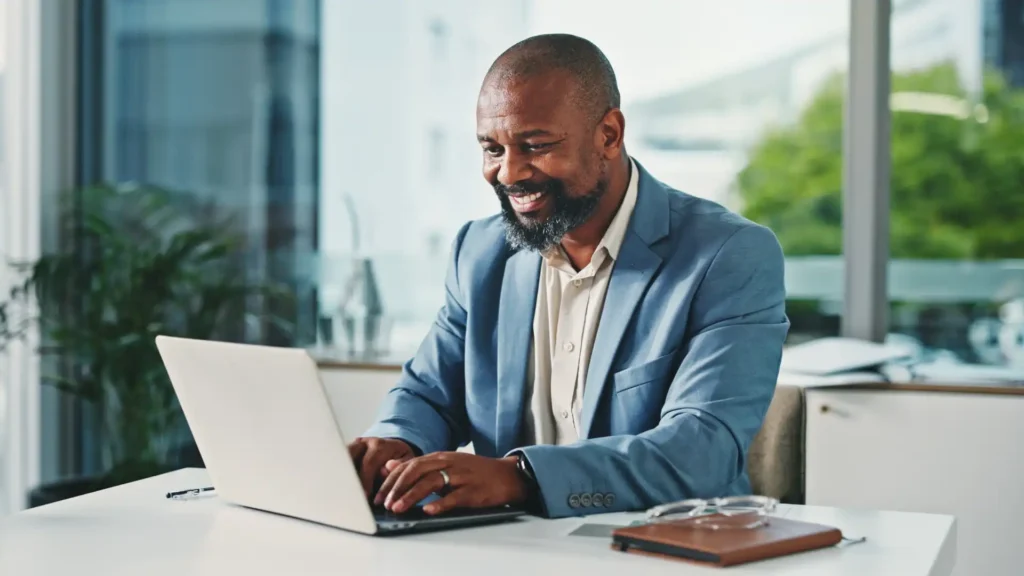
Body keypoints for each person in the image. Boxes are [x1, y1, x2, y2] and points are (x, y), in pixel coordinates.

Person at [348, 33, 789, 519]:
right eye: (492, 149)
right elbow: (430, 394)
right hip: (509, 546)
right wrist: (396, 444)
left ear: (609, 135)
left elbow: (700, 451)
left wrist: (520, 477)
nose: (509, 172)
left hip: (665, 545)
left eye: (535, 145)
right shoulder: (479, 251)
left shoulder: (726, 256)